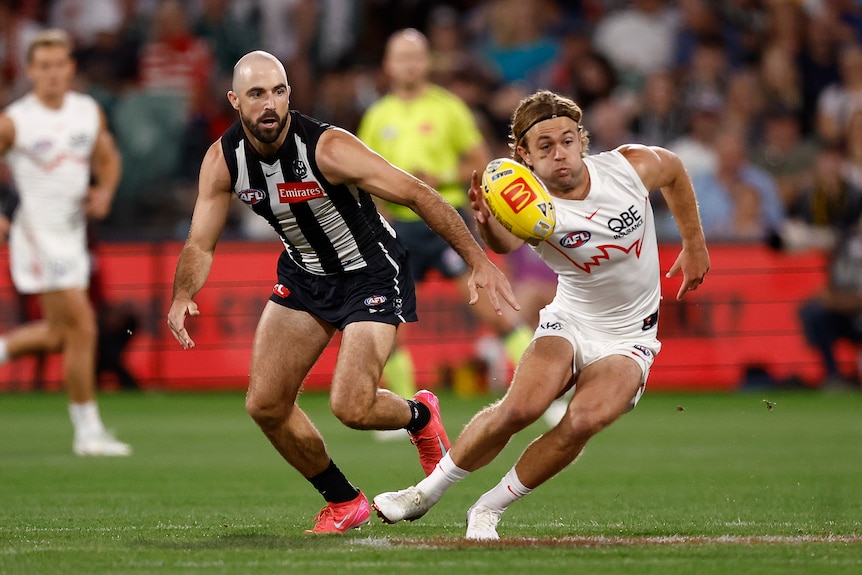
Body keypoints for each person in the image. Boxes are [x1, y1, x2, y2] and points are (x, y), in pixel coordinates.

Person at [166, 50, 519, 534]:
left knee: (351, 407)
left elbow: (417, 193)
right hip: (305, 274)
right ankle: (344, 502)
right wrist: (183, 293)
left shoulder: (328, 148)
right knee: (264, 405)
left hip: (371, 272)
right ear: (234, 100)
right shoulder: (223, 160)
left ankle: (418, 415)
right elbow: (200, 243)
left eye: (279, 91)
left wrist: (479, 260)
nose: (270, 104)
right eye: (256, 94)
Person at [372, 90, 710, 540]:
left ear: (582, 140)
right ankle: (423, 493)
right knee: (520, 408)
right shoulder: (526, 205)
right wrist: (486, 221)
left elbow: (672, 168)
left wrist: (694, 243)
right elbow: (504, 245)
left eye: (568, 140)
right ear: (524, 155)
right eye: (545, 146)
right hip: (570, 321)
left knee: (584, 420)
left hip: (631, 336)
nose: (560, 153)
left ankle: (488, 509)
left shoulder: (627, 168)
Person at [357, 28, 533, 396]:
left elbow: (481, 163)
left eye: (415, 57)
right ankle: (405, 414)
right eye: (401, 58)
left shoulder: (448, 108)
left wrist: (441, 177)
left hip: (446, 219)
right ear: (389, 65)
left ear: (426, 63)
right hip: (399, 228)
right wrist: (375, 215)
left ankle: (541, 388)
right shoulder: (376, 116)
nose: (408, 65)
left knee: (495, 312)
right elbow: (361, 177)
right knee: (390, 324)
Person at [0, 29, 130, 456]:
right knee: (83, 326)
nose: (53, 73)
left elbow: (107, 156)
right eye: (44, 66)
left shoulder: (87, 112)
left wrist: (105, 191)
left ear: (70, 67)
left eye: (59, 64)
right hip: (37, 235)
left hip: (73, 236)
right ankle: (87, 431)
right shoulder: (15, 120)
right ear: (31, 70)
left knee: (60, 336)